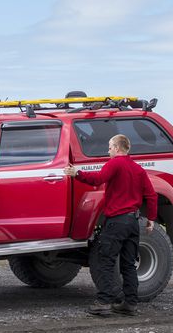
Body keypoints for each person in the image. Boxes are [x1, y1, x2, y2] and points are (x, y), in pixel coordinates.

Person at [63, 134, 156, 317]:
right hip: (133, 222)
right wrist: (151, 219)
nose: (108, 150)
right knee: (129, 264)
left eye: (109, 147)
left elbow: (98, 179)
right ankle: (130, 304)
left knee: (105, 260)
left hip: (117, 222)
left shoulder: (115, 164)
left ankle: (104, 302)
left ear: (117, 148)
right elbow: (151, 196)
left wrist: (77, 174)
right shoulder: (138, 169)